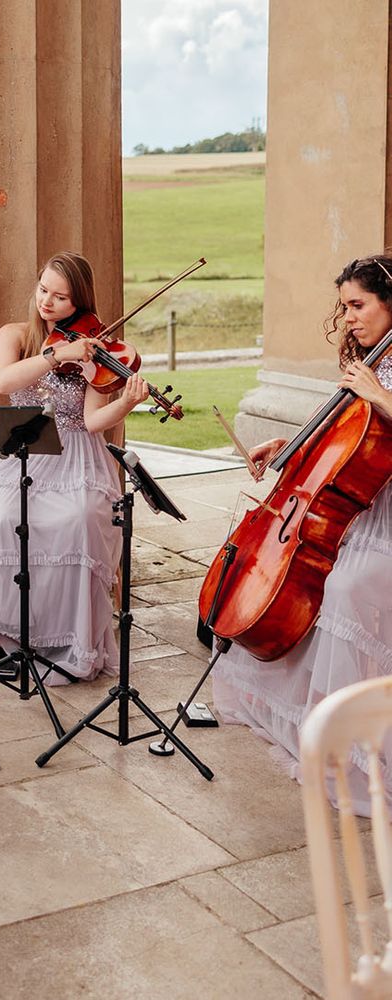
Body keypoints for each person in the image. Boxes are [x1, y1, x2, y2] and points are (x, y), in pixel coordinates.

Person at [212, 253, 392, 811]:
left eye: (358, 305)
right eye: (344, 307)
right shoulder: (373, 358)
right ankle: (322, 723)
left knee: (340, 591)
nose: (349, 318)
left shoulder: (379, 371)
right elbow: (344, 431)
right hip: (364, 510)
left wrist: (379, 395)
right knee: (314, 583)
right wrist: (289, 446)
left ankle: (354, 747)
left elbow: (375, 414)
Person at [0, 251, 150, 683]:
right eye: (43, 290)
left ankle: (71, 639)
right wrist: (58, 355)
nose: (47, 303)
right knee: (3, 517)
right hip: (25, 448)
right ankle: (13, 637)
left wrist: (125, 402)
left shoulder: (97, 347)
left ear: (79, 303)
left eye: (61, 297)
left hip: (76, 452)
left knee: (81, 519)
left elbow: (92, 420)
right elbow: (4, 382)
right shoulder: (13, 335)